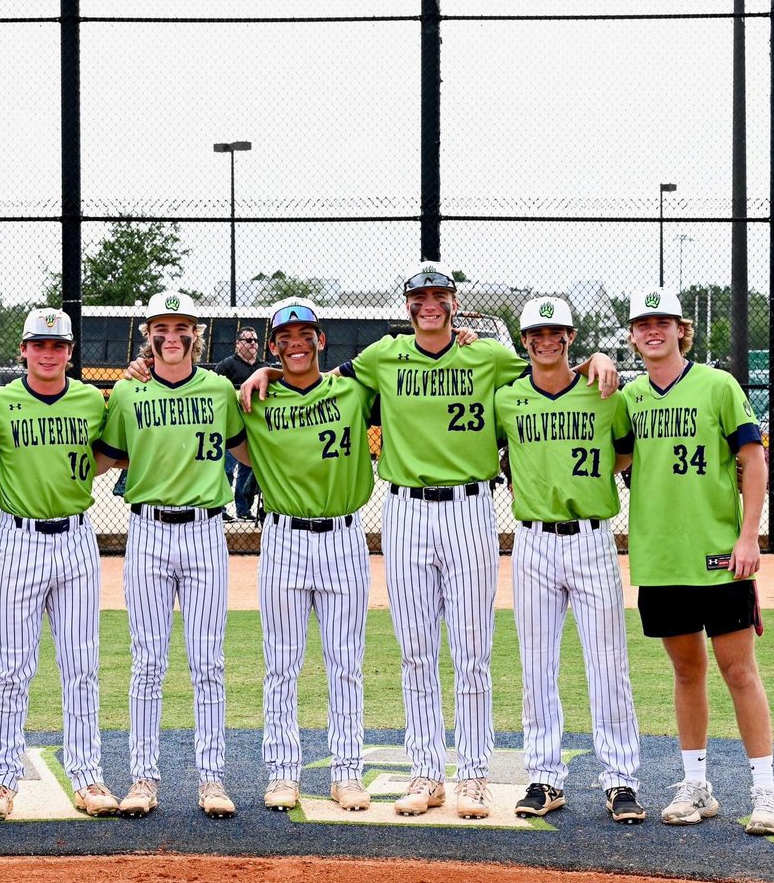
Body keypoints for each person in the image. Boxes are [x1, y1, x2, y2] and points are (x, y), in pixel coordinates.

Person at [242, 261, 617, 820]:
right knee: (416, 651)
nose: (429, 304)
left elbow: (550, 366)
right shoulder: (381, 356)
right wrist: (266, 372)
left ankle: (471, 776)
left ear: (455, 302)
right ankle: (425, 772)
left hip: (469, 509)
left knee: (472, 651)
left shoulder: (487, 356)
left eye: (439, 295)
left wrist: (599, 358)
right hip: (405, 512)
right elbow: (321, 377)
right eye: (419, 296)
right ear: (408, 305)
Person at [623, 287, 774, 835]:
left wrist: (748, 535)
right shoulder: (631, 396)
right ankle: (697, 786)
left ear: (681, 330)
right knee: (687, 671)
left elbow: (753, 459)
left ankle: (765, 790)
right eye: (643, 324)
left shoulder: (718, 385)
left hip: (718, 554)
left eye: (663, 322)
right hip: (660, 557)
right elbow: (616, 451)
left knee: (739, 671)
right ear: (633, 335)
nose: (653, 331)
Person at [96, 289, 247, 819]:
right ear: (149, 336)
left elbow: (245, 448)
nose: (172, 336)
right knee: (148, 663)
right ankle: (143, 778)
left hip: (206, 532)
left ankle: (212, 779)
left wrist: (267, 376)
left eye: (182, 327)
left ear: (196, 335)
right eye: (161, 327)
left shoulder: (219, 389)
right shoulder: (127, 395)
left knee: (207, 662)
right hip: (149, 531)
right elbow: (104, 458)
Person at [494, 297, 643, 824]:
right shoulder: (507, 399)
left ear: (570, 337)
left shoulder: (604, 393)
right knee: (537, 666)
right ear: (525, 339)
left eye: (556, 332)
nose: (546, 340)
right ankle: (544, 776)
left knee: (608, 663)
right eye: (536, 332)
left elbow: (623, 452)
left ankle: (621, 780)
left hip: (591, 538)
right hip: (532, 540)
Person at [0, 308, 121, 821]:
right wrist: (21, 492)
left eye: (57, 346)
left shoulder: (90, 401)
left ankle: (88, 776)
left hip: (77, 538)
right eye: (39, 344)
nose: (48, 353)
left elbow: (112, 454)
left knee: (81, 664)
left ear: (70, 352)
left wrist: (72, 480)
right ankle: (0, 780)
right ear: (23, 350)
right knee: (12, 667)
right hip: (18, 539)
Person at [239, 298, 376, 812]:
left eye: (305, 334)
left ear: (321, 340)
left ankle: (346, 772)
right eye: (285, 338)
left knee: (346, 663)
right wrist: (260, 376)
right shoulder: (251, 399)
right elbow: (223, 427)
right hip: (283, 537)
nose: (296, 343)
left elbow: (403, 360)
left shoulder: (353, 390)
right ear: (272, 345)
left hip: (343, 535)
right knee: (282, 664)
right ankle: (282, 773)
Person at [215, 326, 265, 520]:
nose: (253, 344)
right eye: (248, 340)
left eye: (255, 340)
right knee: (227, 469)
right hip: (230, 428)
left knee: (248, 470)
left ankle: (244, 510)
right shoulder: (227, 365)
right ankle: (221, 508)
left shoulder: (264, 367)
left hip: (253, 429)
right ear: (238, 344)